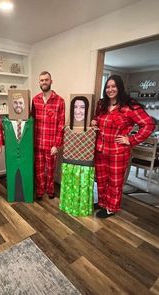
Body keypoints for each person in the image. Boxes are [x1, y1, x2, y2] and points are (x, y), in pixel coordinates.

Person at [91, 75, 155, 218]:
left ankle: (111, 208)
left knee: (115, 182)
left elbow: (148, 124)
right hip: (100, 149)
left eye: (113, 86)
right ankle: (102, 202)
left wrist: (131, 139)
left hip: (117, 152)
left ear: (119, 88)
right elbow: (99, 119)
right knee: (101, 179)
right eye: (108, 86)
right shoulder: (102, 104)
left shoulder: (129, 106)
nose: (110, 89)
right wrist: (94, 122)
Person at [59, 96, 96, 217]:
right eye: (75, 107)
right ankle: (68, 205)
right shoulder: (67, 128)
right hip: (69, 162)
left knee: (83, 184)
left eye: (83, 107)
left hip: (85, 164)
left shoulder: (92, 129)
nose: (78, 111)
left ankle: (81, 208)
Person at [32, 71, 65, 200]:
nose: (44, 82)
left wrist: (57, 144)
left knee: (50, 169)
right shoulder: (35, 100)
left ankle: (50, 189)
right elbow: (32, 121)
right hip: (38, 142)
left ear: (51, 81)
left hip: (51, 143)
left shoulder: (60, 101)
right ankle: (40, 190)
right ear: (39, 82)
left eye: (46, 80)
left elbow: (61, 124)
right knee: (39, 169)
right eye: (41, 80)